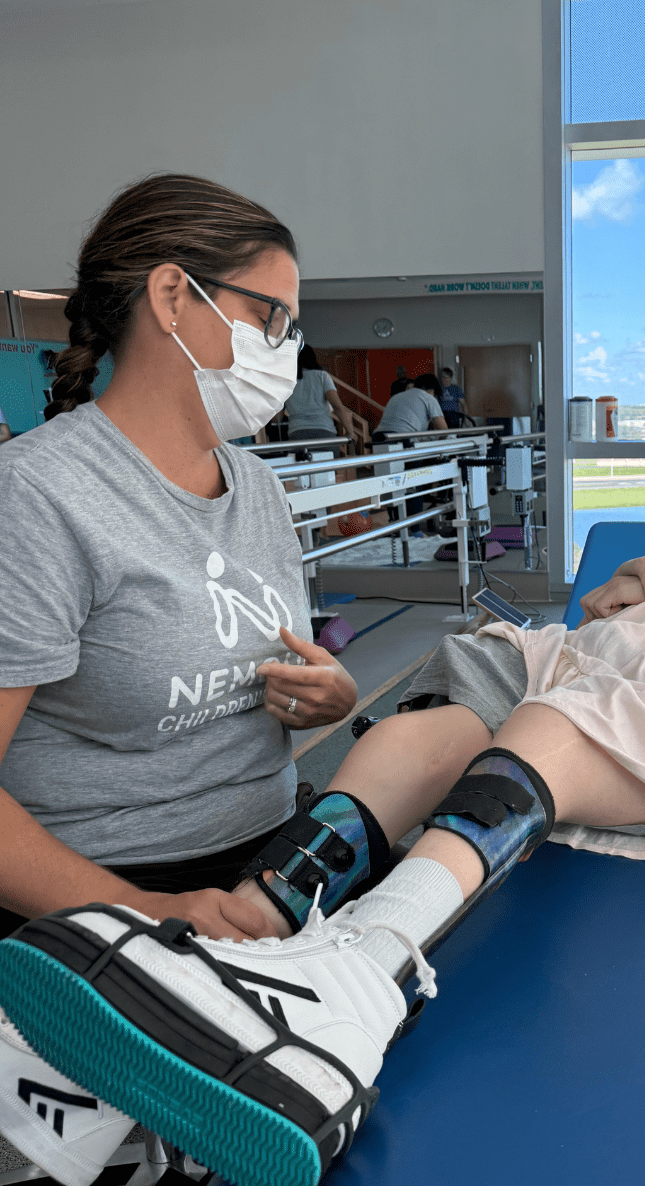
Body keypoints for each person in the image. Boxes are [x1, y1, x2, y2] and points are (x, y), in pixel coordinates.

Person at [0, 489, 645, 1186]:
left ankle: (356, 978)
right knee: (419, 734)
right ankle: (245, 929)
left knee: (554, 725)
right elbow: (567, 650)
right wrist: (622, 598)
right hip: (556, 712)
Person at [0, 173, 360, 950]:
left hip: (269, 865)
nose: (286, 350)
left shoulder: (256, 483)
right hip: (112, 895)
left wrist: (325, 697)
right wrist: (136, 911)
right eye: (270, 318)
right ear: (172, 297)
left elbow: (263, 661)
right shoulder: (37, 497)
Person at [283, 345, 366, 447]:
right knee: (329, 461)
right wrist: (350, 432)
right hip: (323, 432)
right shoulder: (322, 376)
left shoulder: (287, 381)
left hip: (296, 433)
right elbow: (337, 406)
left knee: (302, 463)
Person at [377, 371, 448, 435]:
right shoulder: (428, 397)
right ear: (432, 389)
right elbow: (443, 430)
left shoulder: (396, 396)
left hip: (378, 437)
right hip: (402, 436)